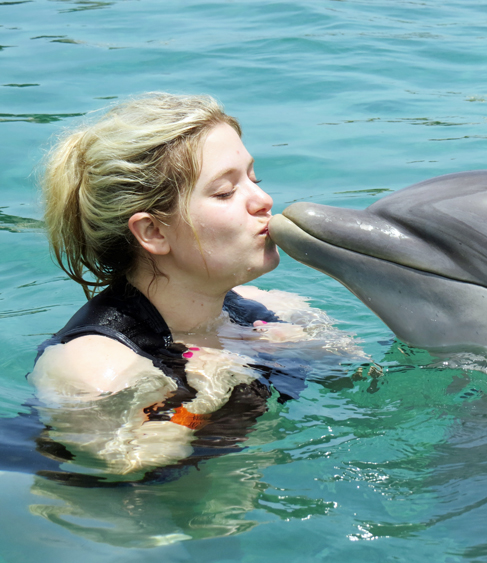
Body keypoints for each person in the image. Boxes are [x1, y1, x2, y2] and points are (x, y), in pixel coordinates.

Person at [29, 92, 312, 477]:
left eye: (253, 178)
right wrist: (202, 401)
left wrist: (316, 351)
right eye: (225, 192)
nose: (263, 200)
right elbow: (126, 465)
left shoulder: (263, 309)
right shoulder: (93, 368)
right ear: (152, 231)